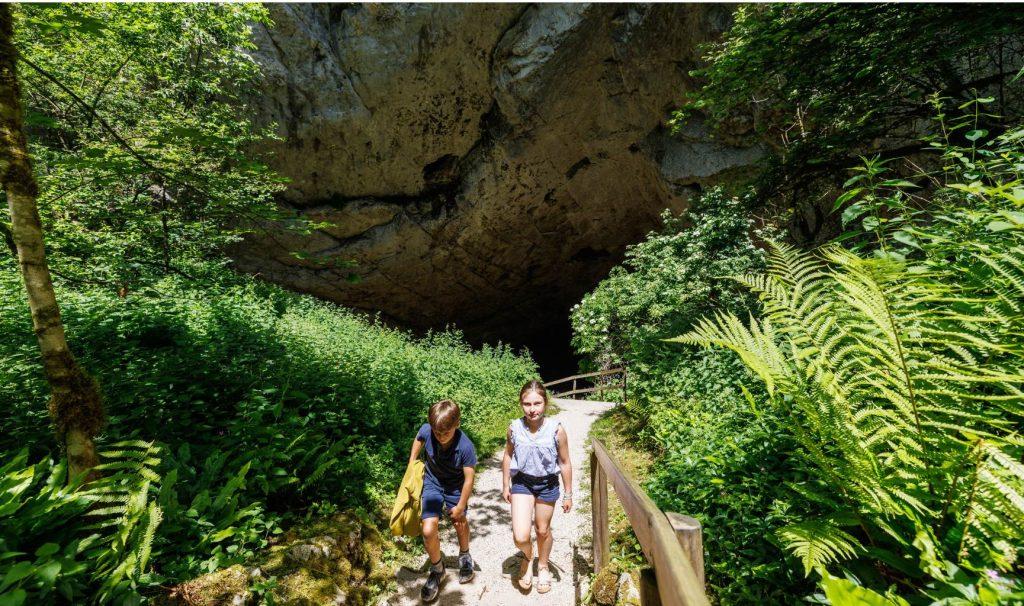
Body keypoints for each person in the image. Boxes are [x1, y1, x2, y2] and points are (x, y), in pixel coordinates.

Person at [502, 380, 573, 594]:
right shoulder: (514, 428)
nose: (532, 409)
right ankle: (527, 553)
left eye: (537, 403)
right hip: (522, 482)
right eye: (527, 404)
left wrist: (568, 494)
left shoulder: (556, 430)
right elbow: (508, 454)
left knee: (542, 530)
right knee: (520, 536)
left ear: (545, 403)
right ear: (521, 404)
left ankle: (542, 566)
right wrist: (506, 483)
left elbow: (565, 462)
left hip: (547, 484)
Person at [408, 399, 478, 602]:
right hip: (432, 482)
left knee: (459, 521)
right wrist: (412, 461)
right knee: (428, 529)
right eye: (436, 432)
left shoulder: (465, 446)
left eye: (445, 433)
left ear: (457, 424)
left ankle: (465, 555)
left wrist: (461, 505)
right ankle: (438, 570)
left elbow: (469, 479)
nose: (439, 437)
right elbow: (420, 437)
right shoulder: (428, 430)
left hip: (456, 485)